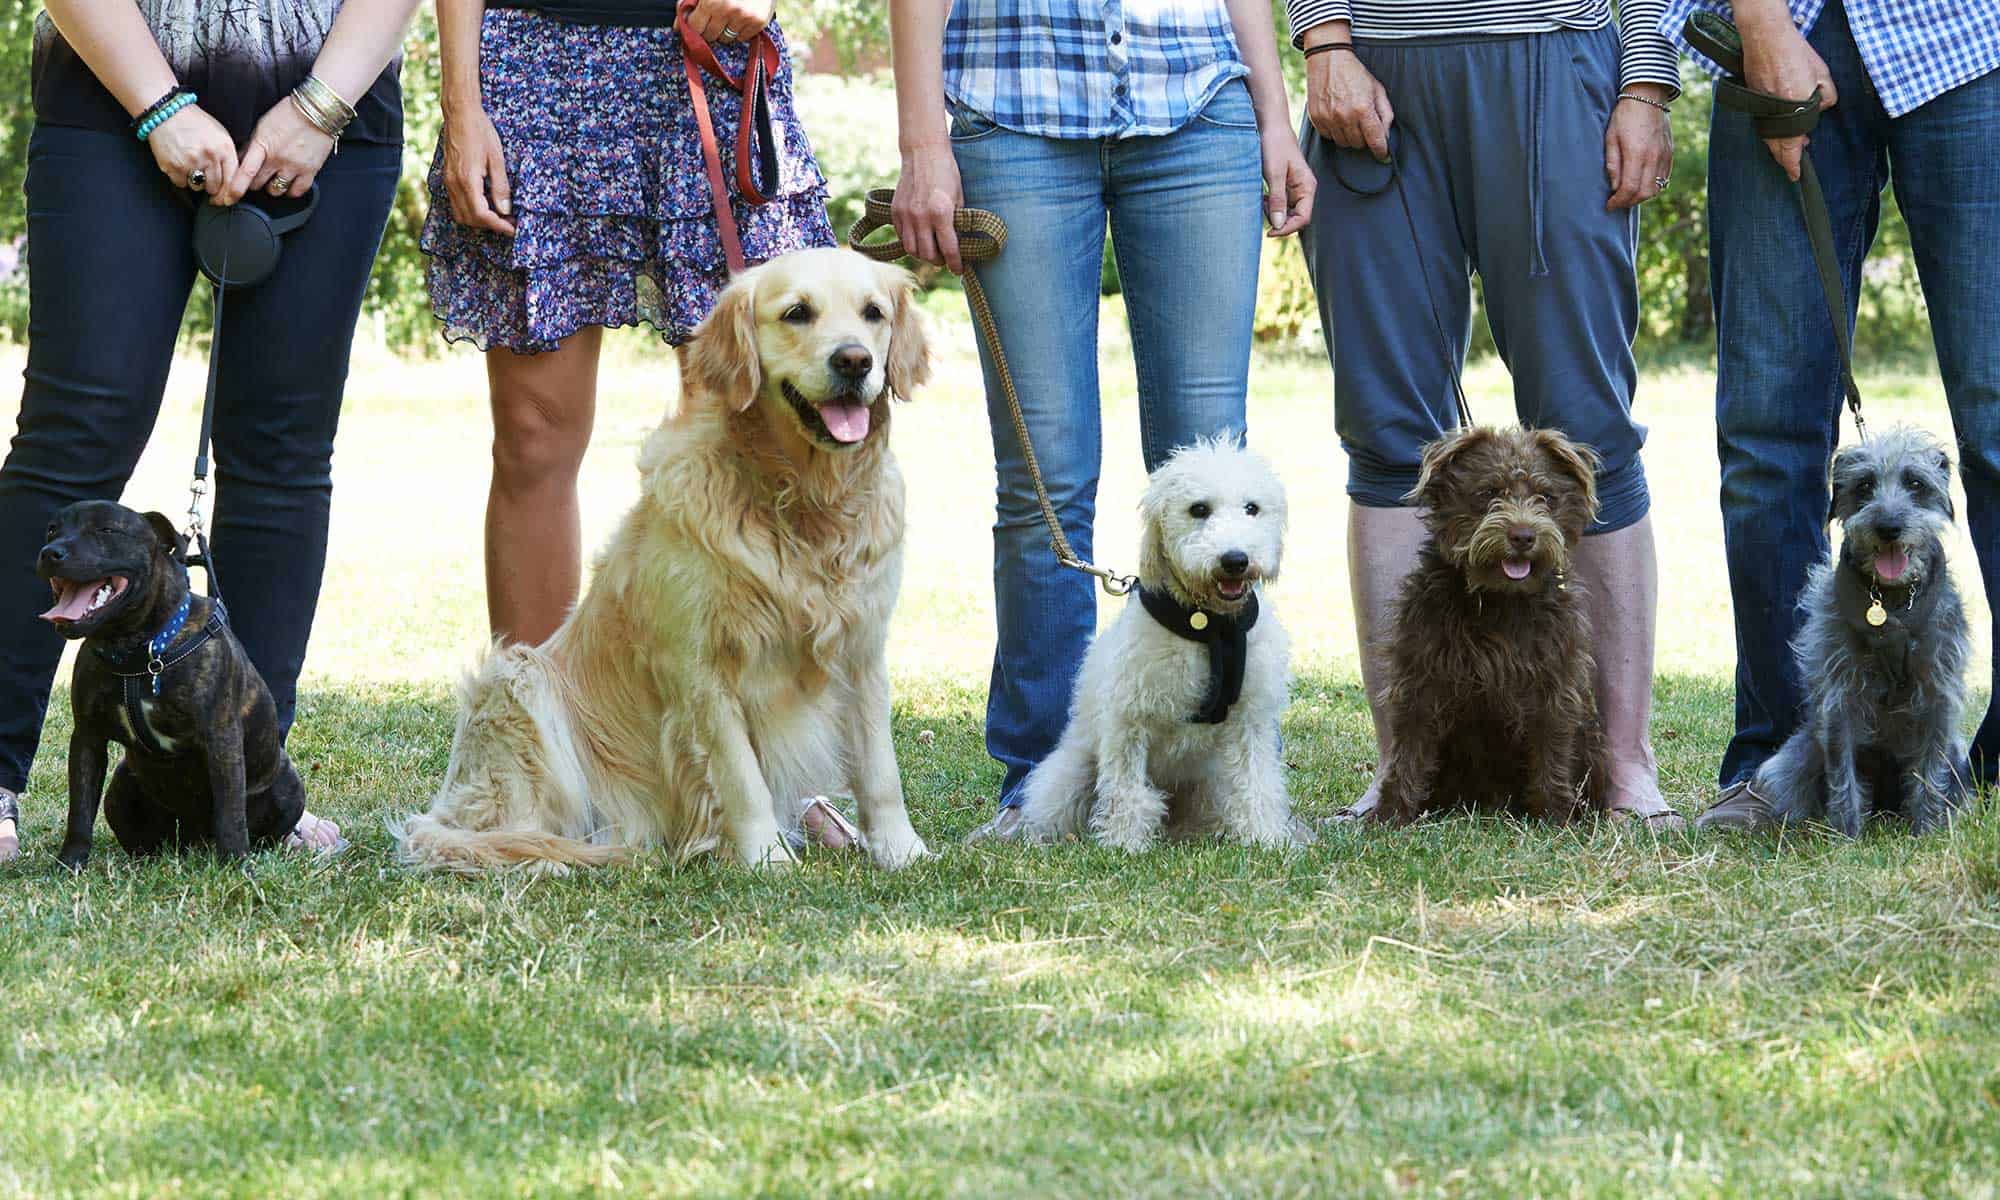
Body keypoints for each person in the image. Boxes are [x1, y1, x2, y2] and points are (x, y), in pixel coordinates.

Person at [0, 0, 418, 864]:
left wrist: (318, 109)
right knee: (72, 434)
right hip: (109, 83)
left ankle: (258, 791)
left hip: (332, 98)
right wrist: (159, 104)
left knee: (282, 451)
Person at [888, 0, 1317, 841]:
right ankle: (1041, 784)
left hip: (1198, 105)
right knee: (1045, 481)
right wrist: (922, 143)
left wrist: (1275, 118)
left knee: (1211, 468)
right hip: (1014, 107)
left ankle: (1230, 784)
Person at [1287, 0, 1686, 827]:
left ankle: (1622, 766)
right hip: (1373, 64)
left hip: (1551, 59)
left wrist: (1645, 83)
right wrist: (1323, 39)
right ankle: (1403, 770)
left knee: (1589, 424)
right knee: (1388, 429)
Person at [1669, 0, 2000, 828]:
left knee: (1998, 419)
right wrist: (1758, 22)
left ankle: (1977, 764)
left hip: (1969, 34)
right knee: (1767, 433)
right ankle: (1784, 760)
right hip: (1788, 22)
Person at [423, 0, 835, 647]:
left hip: (706, 48)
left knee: (744, 423)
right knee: (533, 435)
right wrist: (461, 107)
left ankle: (751, 711)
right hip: (535, 61)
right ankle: (532, 723)